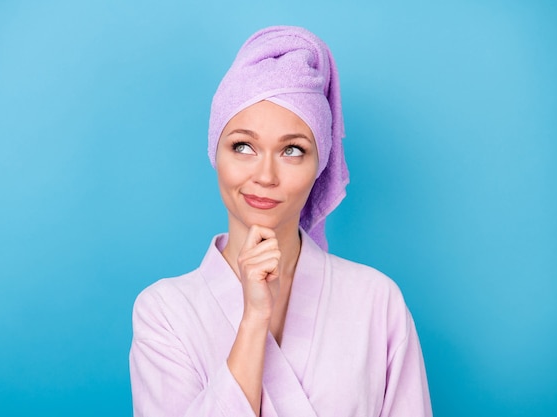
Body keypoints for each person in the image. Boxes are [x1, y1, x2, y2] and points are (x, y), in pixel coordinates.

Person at [129, 26, 432, 417]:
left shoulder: (377, 300)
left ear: (320, 165)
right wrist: (254, 320)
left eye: (292, 150)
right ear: (214, 152)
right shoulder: (164, 312)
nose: (266, 175)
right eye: (243, 146)